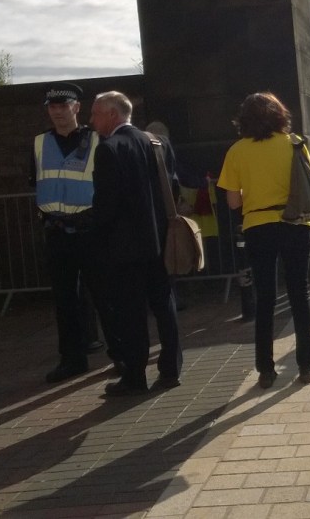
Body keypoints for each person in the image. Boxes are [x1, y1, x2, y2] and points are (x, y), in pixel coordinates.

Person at [84, 91, 184, 396]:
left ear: (112, 115)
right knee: (164, 305)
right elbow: (174, 187)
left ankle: (135, 376)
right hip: (160, 241)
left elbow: (106, 206)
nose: (91, 120)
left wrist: (91, 231)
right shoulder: (158, 142)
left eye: (95, 114)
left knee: (131, 313)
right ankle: (171, 369)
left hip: (124, 248)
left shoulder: (108, 149)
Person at [217, 92, 310, 389]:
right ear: (279, 115)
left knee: (265, 298)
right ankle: (305, 365)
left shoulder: (237, 151)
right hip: (295, 222)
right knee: (299, 294)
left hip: (258, 225)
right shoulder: (295, 143)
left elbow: (233, 202)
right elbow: (309, 182)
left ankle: (265, 369)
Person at [30, 82, 113, 383]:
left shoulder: (96, 139)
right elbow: (34, 181)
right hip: (56, 232)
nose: (58, 112)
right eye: (53, 107)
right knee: (65, 301)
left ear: (77, 107)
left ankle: (119, 355)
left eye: (64, 106)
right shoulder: (39, 143)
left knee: (105, 296)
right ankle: (72, 359)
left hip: (89, 230)